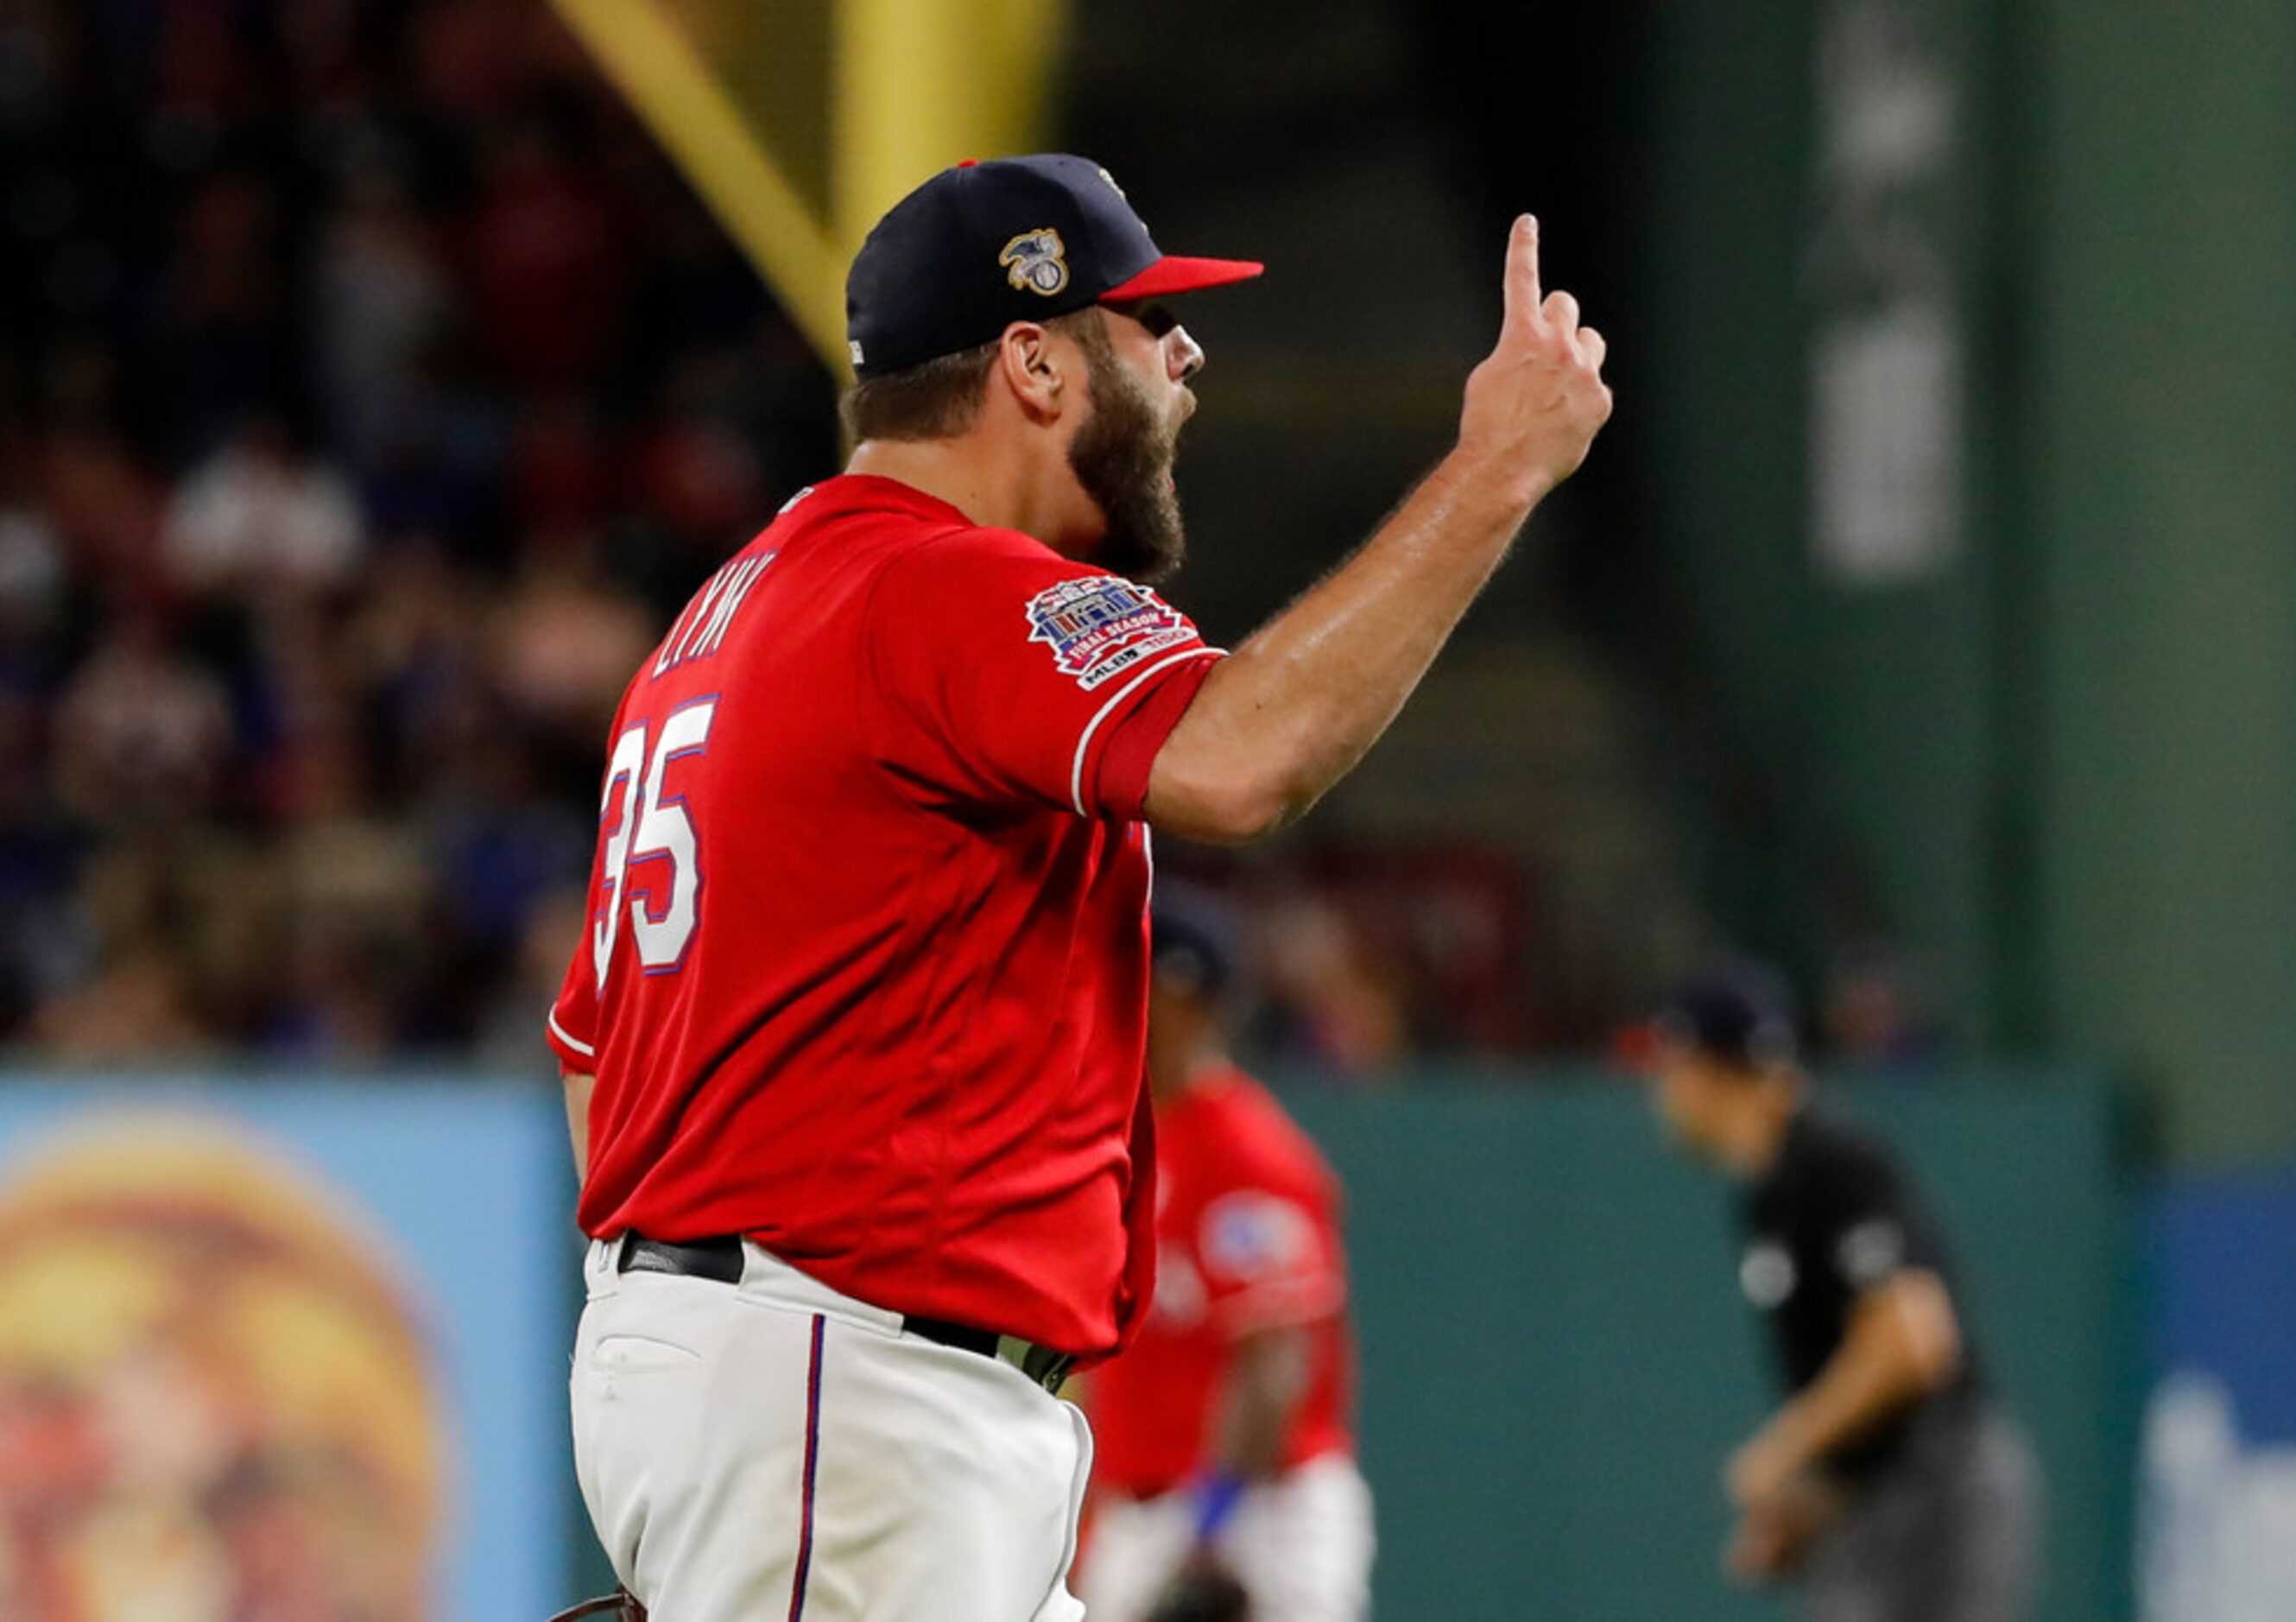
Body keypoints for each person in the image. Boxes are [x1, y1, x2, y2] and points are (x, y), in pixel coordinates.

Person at [547, 152, 1610, 1622]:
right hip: (847, 1388)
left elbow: (598, 1061)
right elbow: (1246, 756)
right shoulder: (935, 586)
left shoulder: (720, 623)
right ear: (1034, 361)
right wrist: (1500, 466)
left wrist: (681, 1340)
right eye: (1143, 322)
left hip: (817, 1382)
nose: (1186, 358)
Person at [1646, 963, 2042, 1622]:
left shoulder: (1829, 1164)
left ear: (1709, 1069)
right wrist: (1813, 1492)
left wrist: (1784, 1450)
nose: (1661, 1091)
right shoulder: (1768, 1196)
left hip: (1938, 1492)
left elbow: (1913, 1339)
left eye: (1670, 1064)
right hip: (1883, 1503)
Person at [1078, 891, 1369, 1622]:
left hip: (1263, 1514)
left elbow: (1276, 1362)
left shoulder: (1247, 1153)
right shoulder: (1118, 1139)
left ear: (1181, 1000)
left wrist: (1209, 1533)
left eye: (1133, 984)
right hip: (1139, 1508)